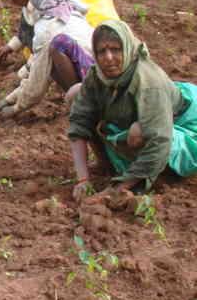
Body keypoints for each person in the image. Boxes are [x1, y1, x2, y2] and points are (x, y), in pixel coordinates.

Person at [68, 20, 197, 201]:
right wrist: (83, 180)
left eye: (116, 49)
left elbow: (160, 141)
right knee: (75, 94)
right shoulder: (97, 76)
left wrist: (116, 190)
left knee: (139, 132)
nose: (108, 57)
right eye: (101, 51)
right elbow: (79, 123)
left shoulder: (148, 83)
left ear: (127, 48)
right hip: (146, 112)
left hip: (183, 122)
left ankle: (162, 175)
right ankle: (106, 164)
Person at [0, 0, 95, 119]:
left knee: (53, 57)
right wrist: (8, 99)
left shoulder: (47, 28)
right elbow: (37, 66)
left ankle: (83, 106)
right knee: (50, 60)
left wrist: (15, 108)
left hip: (95, 85)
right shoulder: (70, 10)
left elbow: (38, 79)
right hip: (101, 77)